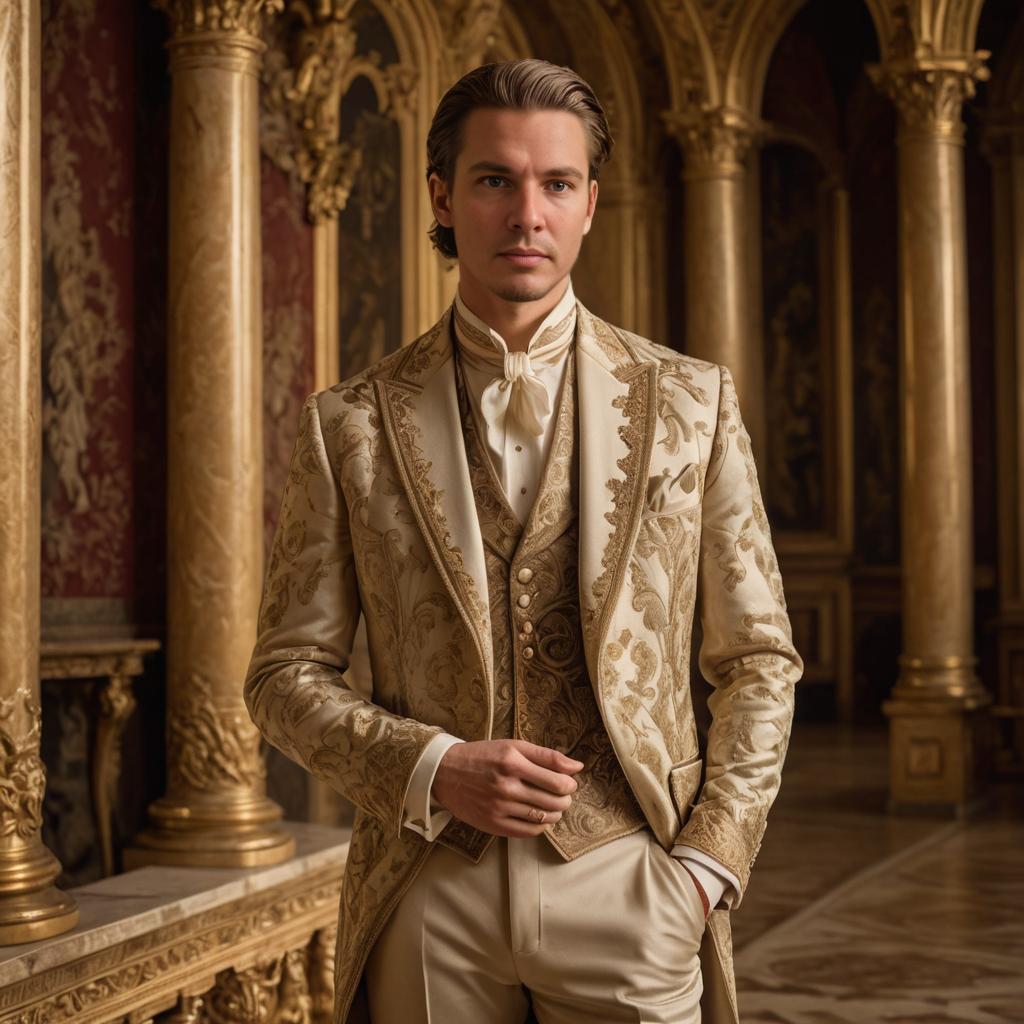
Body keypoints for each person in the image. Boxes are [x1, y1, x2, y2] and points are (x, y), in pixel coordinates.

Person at [244, 58, 802, 1024]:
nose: (527, 214)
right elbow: (282, 678)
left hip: (634, 883)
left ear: (589, 203)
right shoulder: (353, 424)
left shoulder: (691, 403)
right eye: (496, 180)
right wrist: (431, 768)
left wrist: (704, 867)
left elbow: (758, 659)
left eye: (557, 183)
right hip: (430, 893)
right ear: (444, 198)